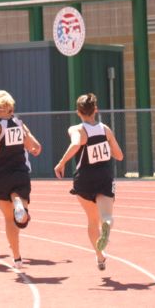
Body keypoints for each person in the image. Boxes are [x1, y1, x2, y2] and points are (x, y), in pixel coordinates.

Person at [54, 93, 124, 271]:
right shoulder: (105, 130)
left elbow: (76, 143)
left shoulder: (76, 129)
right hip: (104, 176)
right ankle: (107, 223)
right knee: (105, 216)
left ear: (78, 112)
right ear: (96, 110)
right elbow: (119, 155)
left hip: (84, 179)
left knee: (92, 220)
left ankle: (99, 256)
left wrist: (62, 163)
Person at [0, 90, 42, 269]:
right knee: (19, 211)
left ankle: (17, 258)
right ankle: (18, 203)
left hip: (1, 175)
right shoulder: (20, 124)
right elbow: (35, 147)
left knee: (9, 220)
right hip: (20, 172)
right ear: (11, 107)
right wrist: (32, 149)